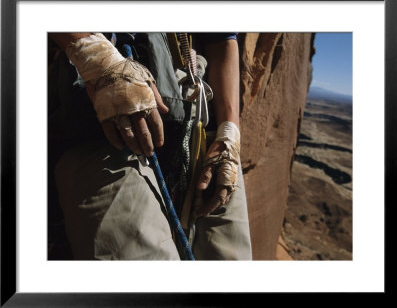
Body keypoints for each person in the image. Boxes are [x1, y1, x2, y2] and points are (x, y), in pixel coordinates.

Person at [48, 32, 252, 260]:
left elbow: (222, 36)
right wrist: (96, 56)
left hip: (200, 126)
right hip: (103, 123)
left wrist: (229, 132)